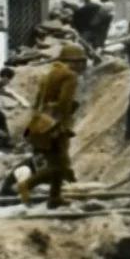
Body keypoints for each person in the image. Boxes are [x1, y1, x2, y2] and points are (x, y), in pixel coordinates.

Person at [20, 43, 87, 208]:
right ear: (74, 62)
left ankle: (54, 198)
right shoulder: (70, 76)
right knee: (60, 167)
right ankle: (27, 184)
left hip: (41, 124)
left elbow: (37, 102)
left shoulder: (50, 73)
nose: (81, 66)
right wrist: (66, 120)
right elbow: (65, 103)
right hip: (55, 126)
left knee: (56, 163)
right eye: (80, 62)